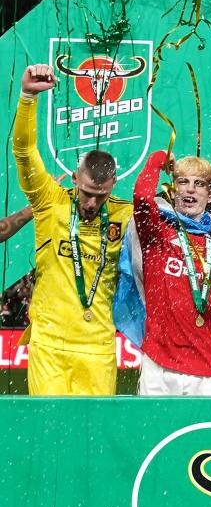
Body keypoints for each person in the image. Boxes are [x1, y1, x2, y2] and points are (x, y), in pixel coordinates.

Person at [12, 63, 132, 395]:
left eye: (100, 195)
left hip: (97, 348)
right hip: (49, 344)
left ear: (113, 184)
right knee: (49, 425)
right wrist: (27, 98)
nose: (92, 203)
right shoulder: (49, 202)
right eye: (87, 193)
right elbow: (24, 151)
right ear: (76, 178)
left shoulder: (126, 215)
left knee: (95, 429)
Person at [130, 151, 211, 395]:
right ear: (173, 191)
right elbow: (141, 197)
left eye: (199, 184)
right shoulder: (157, 231)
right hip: (159, 363)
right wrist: (158, 159)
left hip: (210, 366)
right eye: (183, 182)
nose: (190, 189)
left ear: (210, 195)